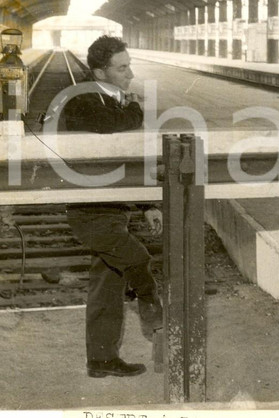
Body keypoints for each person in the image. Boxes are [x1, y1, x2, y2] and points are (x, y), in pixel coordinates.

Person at [62, 36, 163, 379]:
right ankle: (153, 311)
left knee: (107, 283)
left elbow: (129, 158)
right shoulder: (83, 102)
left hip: (112, 207)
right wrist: (135, 109)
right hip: (90, 210)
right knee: (137, 259)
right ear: (99, 71)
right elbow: (109, 129)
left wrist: (148, 202)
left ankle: (102, 360)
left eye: (129, 65)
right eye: (122, 68)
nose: (130, 74)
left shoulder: (112, 99)